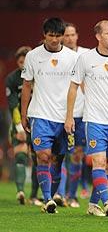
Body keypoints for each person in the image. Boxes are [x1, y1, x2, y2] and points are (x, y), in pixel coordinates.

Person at [21, 17, 78, 213]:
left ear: (63, 36)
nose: (54, 40)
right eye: (51, 35)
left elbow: (75, 87)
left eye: (58, 36)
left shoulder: (73, 57)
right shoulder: (33, 56)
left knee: (58, 159)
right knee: (43, 156)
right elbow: (27, 86)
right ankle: (47, 199)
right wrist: (23, 114)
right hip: (40, 115)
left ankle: (52, 196)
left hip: (63, 118)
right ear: (44, 35)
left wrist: (71, 116)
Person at [64, 20, 108, 217]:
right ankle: (107, 202)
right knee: (98, 161)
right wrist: (69, 116)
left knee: (106, 165)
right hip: (94, 119)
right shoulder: (85, 58)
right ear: (98, 36)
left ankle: (92, 205)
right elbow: (73, 86)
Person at [54, 22, 90, 208]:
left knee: (77, 155)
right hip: (60, 113)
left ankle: (72, 195)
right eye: (65, 35)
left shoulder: (86, 55)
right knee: (60, 154)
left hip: (82, 114)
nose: (69, 38)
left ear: (77, 36)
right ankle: (59, 194)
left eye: (72, 35)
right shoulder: (56, 57)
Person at [5, 46, 43, 206]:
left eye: (26, 61)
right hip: (19, 123)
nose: (23, 64)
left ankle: (34, 195)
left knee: (37, 159)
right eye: (21, 61)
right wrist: (19, 127)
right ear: (18, 62)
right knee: (21, 155)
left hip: (38, 122)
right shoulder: (12, 79)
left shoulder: (40, 75)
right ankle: (20, 191)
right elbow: (13, 105)